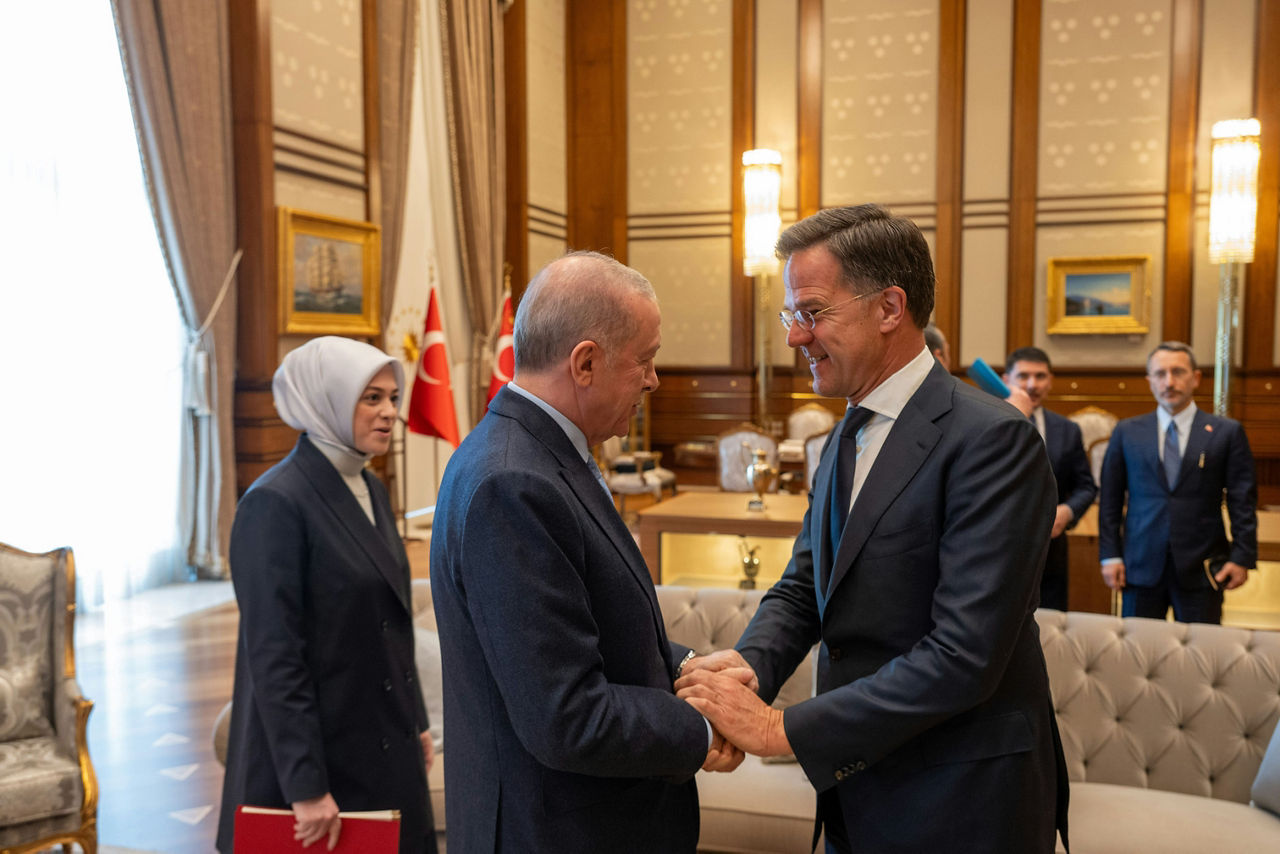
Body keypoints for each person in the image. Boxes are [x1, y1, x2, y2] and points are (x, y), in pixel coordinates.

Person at [675, 205, 1068, 853]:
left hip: (962, 799)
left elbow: (964, 655)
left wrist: (779, 730)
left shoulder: (993, 440)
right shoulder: (843, 436)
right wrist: (750, 667)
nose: (795, 338)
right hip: (857, 788)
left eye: (812, 312)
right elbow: (805, 587)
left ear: (889, 308)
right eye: (791, 316)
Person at [430, 251, 740, 853]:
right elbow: (565, 715)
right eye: (644, 360)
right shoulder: (513, 483)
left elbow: (585, 625)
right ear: (586, 362)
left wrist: (689, 669)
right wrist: (703, 726)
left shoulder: (538, 453)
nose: (653, 380)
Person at [216, 337, 436, 854]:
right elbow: (274, 656)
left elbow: (391, 622)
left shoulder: (371, 487)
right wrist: (306, 787)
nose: (389, 412)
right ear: (326, 400)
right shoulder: (274, 503)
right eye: (371, 398)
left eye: (392, 398)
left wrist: (418, 722)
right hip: (318, 761)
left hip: (381, 737)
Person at [1098, 341, 1257, 623]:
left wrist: (1242, 556)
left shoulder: (1226, 432)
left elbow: (1242, 500)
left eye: (1178, 372)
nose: (1169, 382)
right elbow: (1110, 500)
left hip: (1203, 567)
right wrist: (1110, 555)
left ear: (1196, 378)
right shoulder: (1127, 432)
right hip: (1139, 566)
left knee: (1202, 648)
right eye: (1160, 374)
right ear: (1149, 381)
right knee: (1139, 647)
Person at [1004, 346, 1097, 610]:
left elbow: (1086, 486)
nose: (1032, 384)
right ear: (1007, 380)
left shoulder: (1067, 429)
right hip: (1000, 547)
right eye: (1023, 376)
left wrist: (1068, 511)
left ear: (1050, 381)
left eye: (1040, 376)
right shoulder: (987, 422)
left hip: (1051, 552)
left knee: (1051, 625)